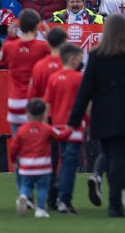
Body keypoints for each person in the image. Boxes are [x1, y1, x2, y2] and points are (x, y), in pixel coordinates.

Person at [67, 14, 125, 219]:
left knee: (111, 155)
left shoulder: (97, 55)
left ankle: (114, 201)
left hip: (104, 113)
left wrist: (74, 119)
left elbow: (86, 89)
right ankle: (115, 204)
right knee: (119, 156)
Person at [10, 98, 71, 219]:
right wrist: (70, 129)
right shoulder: (47, 129)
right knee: (43, 187)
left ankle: (23, 196)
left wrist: (13, 160)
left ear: (27, 114)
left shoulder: (22, 130)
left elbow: (13, 147)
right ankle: (40, 209)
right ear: (44, 114)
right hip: (43, 167)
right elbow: (60, 136)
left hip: (26, 167)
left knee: (26, 185)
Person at [44, 43, 86, 214]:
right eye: (79, 59)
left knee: (60, 160)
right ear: (72, 58)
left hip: (56, 125)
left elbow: (47, 103)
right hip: (73, 126)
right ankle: (64, 198)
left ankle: (54, 195)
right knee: (70, 163)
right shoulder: (78, 78)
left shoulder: (54, 78)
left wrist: (46, 125)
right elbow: (85, 104)